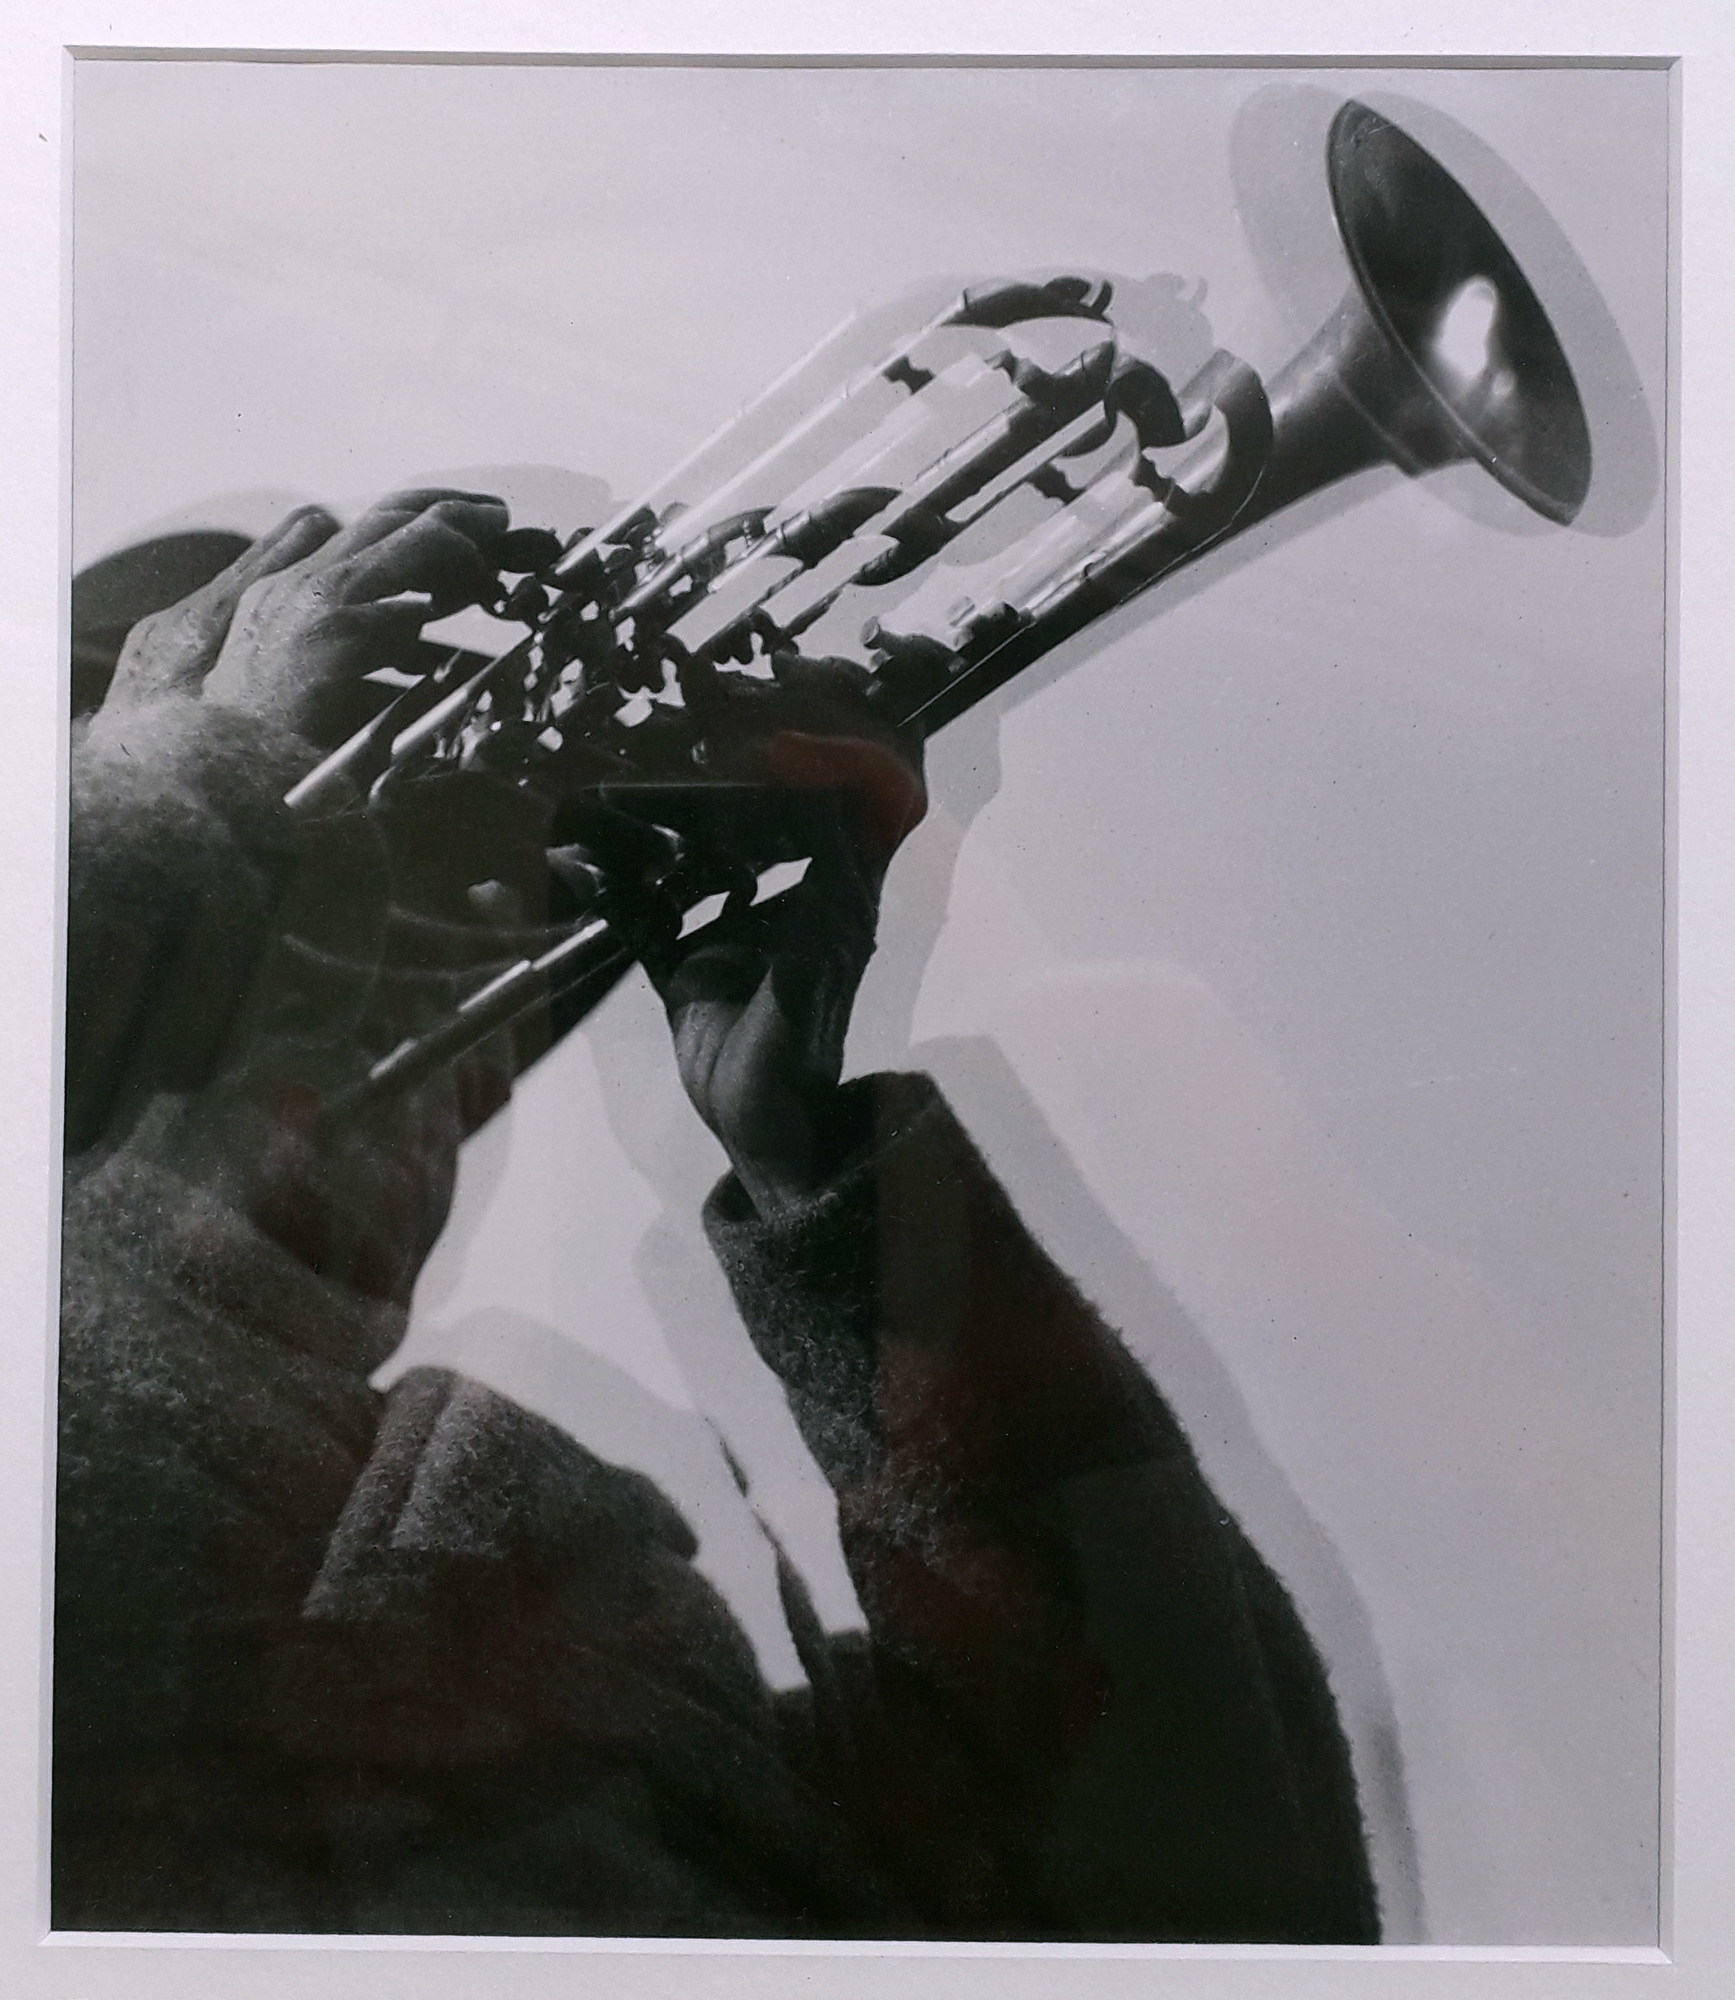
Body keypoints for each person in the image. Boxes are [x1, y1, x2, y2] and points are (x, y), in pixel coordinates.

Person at [55, 491, 1380, 1940]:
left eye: (449, 906)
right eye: (281, 909)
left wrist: (850, 1219)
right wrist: (183, 800)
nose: (418, 992)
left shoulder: (532, 1561)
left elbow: (1225, 1926)